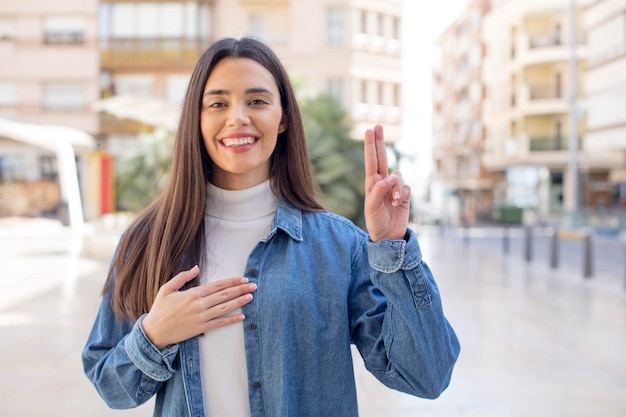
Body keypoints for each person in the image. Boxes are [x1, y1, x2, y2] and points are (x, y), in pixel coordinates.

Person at [82, 37, 460, 417]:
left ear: (283, 119)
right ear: (196, 120)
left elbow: (427, 376)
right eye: (217, 103)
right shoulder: (149, 241)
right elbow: (111, 387)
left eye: (257, 101)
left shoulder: (340, 247)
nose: (237, 117)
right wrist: (155, 335)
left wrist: (393, 248)